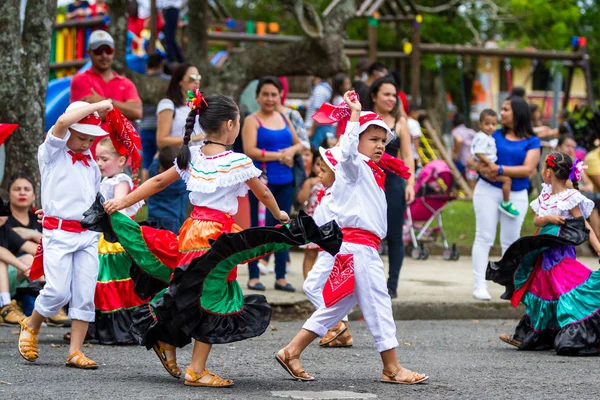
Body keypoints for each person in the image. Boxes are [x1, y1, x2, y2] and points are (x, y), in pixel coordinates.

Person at [103, 91, 293, 386]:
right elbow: (263, 193)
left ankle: (167, 343)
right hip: (217, 237)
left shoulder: (191, 155)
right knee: (212, 297)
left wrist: (122, 202)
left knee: (192, 291)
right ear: (231, 125)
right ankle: (196, 369)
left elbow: (156, 182)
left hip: (191, 230)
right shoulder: (237, 161)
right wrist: (280, 214)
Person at [275, 91, 427, 384]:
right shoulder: (353, 166)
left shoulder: (370, 170)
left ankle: (291, 351)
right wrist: (355, 115)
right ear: (356, 140)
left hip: (359, 247)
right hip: (358, 249)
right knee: (379, 304)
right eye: (373, 139)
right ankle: (392, 367)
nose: (380, 145)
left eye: (383, 140)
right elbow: (345, 154)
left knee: (337, 306)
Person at [17, 100, 113, 369]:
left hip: (87, 234)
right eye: (81, 137)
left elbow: (91, 198)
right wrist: (101, 104)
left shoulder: (91, 164)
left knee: (84, 294)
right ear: (69, 130)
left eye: (90, 139)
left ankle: (75, 352)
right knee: (57, 291)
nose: (86, 144)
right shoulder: (51, 153)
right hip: (58, 234)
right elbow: (60, 123)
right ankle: (32, 323)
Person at [491, 152, 600, 355]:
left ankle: (584, 336)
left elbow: (583, 224)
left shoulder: (571, 197)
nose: (541, 172)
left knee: (566, 292)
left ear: (548, 172)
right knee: (542, 290)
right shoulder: (545, 195)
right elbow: (537, 220)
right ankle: (533, 336)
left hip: (560, 256)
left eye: (542, 168)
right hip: (542, 255)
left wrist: (598, 247)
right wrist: (548, 218)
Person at [467, 96, 541, 300]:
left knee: (511, 241)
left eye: (506, 109)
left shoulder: (532, 141)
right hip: (488, 190)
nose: (501, 113)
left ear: (518, 113)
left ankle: (510, 285)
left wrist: (499, 168)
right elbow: (472, 158)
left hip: (516, 194)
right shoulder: (493, 134)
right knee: (484, 236)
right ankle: (479, 284)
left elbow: (528, 169)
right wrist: (479, 167)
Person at [242, 76, 305, 292]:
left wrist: (290, 151)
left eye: (274, 94)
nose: (270, 99)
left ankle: (280, 277)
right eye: (266, 94)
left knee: (283, 227)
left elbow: (298, 144)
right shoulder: (251, 120)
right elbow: (249, 150)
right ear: (258, 97)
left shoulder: (284, 116)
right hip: (261, 183)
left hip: (285, 182)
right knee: (259, 228)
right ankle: (253, 275)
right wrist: (278, 156)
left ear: (280, 96)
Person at [88, 138, 146, 344]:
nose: (99, 163)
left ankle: (120, 329)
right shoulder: (103, 180)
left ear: (121, 160)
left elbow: (120, 203)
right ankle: (99, 328)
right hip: (103, 236)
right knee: (102, 281)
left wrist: (109, 206)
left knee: (113, 281)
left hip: (116, 238)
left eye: (104, 159)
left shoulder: (120, 179)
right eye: (97, 159)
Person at [368, 77, 415, 298]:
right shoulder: (365, 120)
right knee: (368, 234)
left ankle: (391, 285)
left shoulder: (400, 123)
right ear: (374, 96)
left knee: (395, 236)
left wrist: (411, 183)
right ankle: (368, 283)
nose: (390, 99)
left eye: (393, 95)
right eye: (386, 94)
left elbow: (407, 155)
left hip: (394, 183)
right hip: (368, 182)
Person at [302, 145, 353, 347]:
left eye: (324, 170)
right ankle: (342, 331)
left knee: (311, 286)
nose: (319, 174)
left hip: (332, 251)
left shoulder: (337, 196)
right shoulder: (329, 194)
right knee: (332, 290)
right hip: (329, 250)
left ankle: (337, 324)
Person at [5, 174, 70, 326]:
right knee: (31, 258)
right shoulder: (4, 219)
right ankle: (52, 309)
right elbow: (45, 249)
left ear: (34, 195)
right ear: (9, 194)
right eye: (17, 189)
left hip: (34, 274)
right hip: (10, 273)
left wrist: (33, 234)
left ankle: (48, 308)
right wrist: (39, 240)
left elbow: (56, 246)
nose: (22, 193)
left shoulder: (38, 219)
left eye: (26, 189)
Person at [70, 30, 142, 136]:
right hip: (90, 149)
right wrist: (124, 112)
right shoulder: (80, 80)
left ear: (114, 52)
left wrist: (104, 102)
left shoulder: (126, 83)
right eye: (98, 51)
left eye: (108, 50)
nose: (104, 55)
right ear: (89, 53)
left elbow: (137, 112)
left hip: (122, 151)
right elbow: (86, 116)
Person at [471, 109, 519, 218]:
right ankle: (506, 202)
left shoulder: (486, 136)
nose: (490, 127)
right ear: (480, 124)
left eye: (493, 124)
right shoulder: (483, 138)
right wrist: (489, 163)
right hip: (486, 165)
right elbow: (478, 152)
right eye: (487, 124)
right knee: (507, 180)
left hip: (486, 165)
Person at [0, 206, 35, 325]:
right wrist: (24, 268)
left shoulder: (5, 230)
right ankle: (5, 306)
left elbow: (35, 249)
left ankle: (48, 307)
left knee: (30, 259)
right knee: (1, 261)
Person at [156, 63, 203, 149]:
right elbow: (161, 141)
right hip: (176, 159)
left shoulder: (199, 106)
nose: (197, 81)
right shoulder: (168, 104)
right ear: (180, 81)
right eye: (192, 78)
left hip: (197, 159)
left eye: (198, 77)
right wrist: (193, 138)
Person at [140, 54, 170, 182]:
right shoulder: (167, 81)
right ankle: (158, 190)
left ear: (147, 65)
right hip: (163, 127)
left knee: (147, 161)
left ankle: (144, 195)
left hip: (145, 125)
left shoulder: (141, 81)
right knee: (162, 159)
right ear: (160, 65)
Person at [145, 146, 187, 234]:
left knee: (153, 242)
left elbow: (156, 157)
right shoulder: (180, 182)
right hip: (172, 219)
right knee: (170, 244)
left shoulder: (153, 171)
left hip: (153, 215)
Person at [295, 147, 323, 278]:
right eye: (318, 165)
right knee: (310, 253)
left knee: (327, 254)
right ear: (312, 167)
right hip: (312, 222)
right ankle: (308, 281)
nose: (321, 169)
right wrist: (308, 185)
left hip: (327, 222)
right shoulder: (310, 182)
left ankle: (321, 284)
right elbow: (301, 199)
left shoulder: (334, 182)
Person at [305, 77, 334, 148]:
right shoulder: (325, 88)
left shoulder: (319, 90)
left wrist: (311, 130)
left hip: (317, 129)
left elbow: (318, 111)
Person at [452, 112, 477, 185]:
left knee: (455, 174)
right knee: (471, 179)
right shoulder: (470, 131)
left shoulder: (456, 131)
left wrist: (455, 153)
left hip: (463, 160)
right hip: (473, 159)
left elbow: (459, 140)